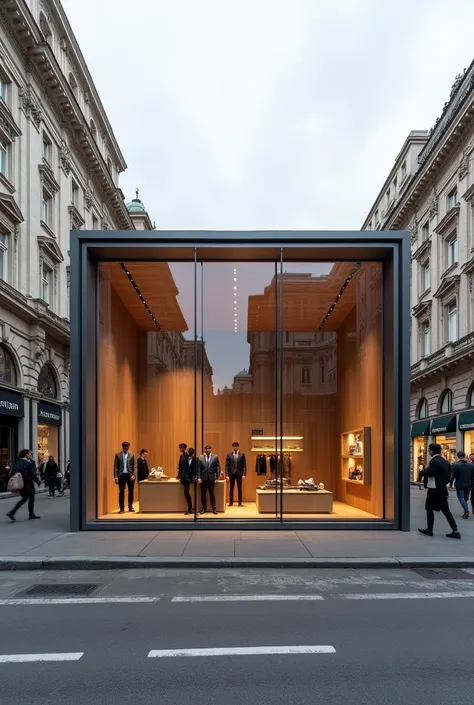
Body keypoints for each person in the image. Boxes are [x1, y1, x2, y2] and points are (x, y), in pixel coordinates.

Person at [419, 442, 460, 539]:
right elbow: (448, 477)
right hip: (442, 490)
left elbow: (430, 472)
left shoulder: (434, 462)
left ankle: (430, 529)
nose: (428, 452)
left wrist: (422, 471)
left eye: (429, 450)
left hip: (434, 490)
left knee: (429, 508)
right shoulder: (445, 462)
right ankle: (455, 530)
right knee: (446, 511)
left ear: (432, 451)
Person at [7, 449, 41, 521]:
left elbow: (11, 472)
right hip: (28, 483)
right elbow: (32, 474)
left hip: (20, 484)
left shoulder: (16, 463)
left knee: (24, 498)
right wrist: (38, 481)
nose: (30, 455)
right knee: (31, 498)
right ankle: (31, 514)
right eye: (29, 454)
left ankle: (12, 512)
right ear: (26, 455)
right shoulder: (28, 463)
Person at [197, 445, 221, 515]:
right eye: (206, 449)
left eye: (209, 449)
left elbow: (217, 467)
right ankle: (203, 508)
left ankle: (214, 508)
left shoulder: (215, 457)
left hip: (211, 479)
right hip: (203, 479)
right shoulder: (200, 457)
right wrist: (198, 477)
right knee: (203, 494)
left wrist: (217, 477)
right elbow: (198, 468)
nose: (208, 450)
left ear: (211, 449)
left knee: (212, 494)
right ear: (204, 450)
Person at [113, 441, 135, 514]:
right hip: (121, 475)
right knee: (121, 492)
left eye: (127, 447)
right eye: (124, 447)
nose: (126, 448)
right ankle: (121, 508)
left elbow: (134, 466)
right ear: (122, 447)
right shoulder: (117, 455)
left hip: (130, 475)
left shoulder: (132, 455)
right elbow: (115, 466)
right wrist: (116, 477)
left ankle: (130, 507)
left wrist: (134, 475)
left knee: (131, 492)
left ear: (129, 447)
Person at [450, 451, 474, 519]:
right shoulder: (471, 465)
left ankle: (466, 511)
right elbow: (472, 476)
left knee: (461, 497)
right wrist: (472, 484)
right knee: (465, 498)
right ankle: (465, 511)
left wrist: (451, 484)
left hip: (459, 483)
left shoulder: (456, 465)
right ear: (465, 455)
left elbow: (453, 476)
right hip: (468, 484)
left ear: (458, 456)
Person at [225, 442, 246, 507]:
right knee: (231, 488)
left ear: (238, 447)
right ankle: (231, 502)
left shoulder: (242, 454)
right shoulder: (229, 454)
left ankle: (240, 502)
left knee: (240, 488)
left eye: (236, 446)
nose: (235, 447)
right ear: (232, 447)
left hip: (239, 473)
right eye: (234, 446)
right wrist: (227, 475)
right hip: (231, 473)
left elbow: (244, 465)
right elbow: (226, 465)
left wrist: (244, 474)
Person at [177, 445, 196, 515]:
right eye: (189, 452)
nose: (190, 453)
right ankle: (190, 508)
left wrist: (195, 477)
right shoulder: (185, 458)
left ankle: (191, 508)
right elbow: (181, 467)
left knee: (188, 493)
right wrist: (179, 476)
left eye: (191, 452)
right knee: (186, 493)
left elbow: (195, 469)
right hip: (184, 477)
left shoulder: (195, 459)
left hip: (191, 478)